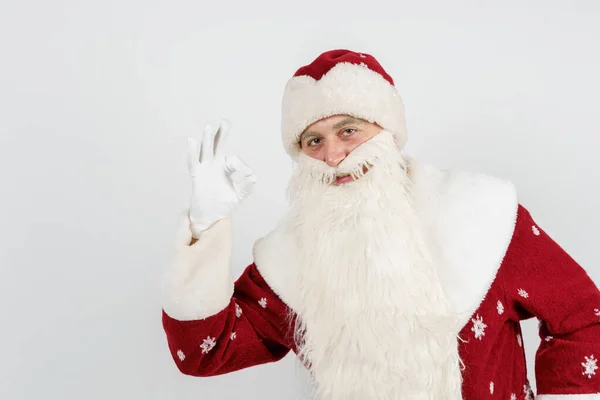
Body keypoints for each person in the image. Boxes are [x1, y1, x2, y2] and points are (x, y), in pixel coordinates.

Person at [161, 49, 600, 400]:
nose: (334, 156)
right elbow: (203, 352)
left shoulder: (482, 216)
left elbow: (584, 319)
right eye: (314, 141)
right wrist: (205, 225)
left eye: (348, 130)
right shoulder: (287, 262)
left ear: (387, 131)